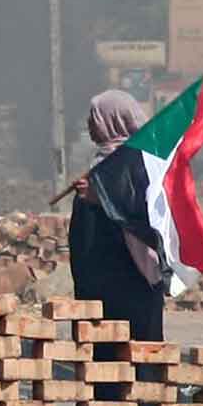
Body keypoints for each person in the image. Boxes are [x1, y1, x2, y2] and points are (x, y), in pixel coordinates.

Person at [69, 90, 164, 346]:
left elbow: (141, 210)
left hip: (131, 274)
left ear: (115, 119)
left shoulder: (140, 160)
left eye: (95, 118)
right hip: (100, 278)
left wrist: (99, 197)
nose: (90, 125)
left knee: (138, 351)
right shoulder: (102, 162)